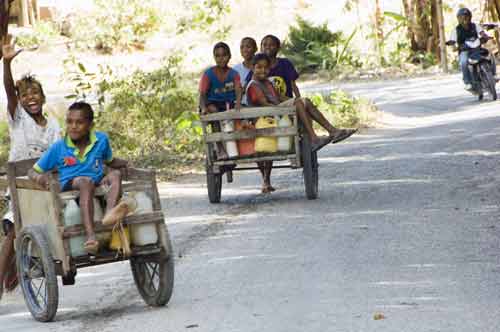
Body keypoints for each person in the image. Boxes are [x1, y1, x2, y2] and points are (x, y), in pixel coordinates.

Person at [0, 35, 61, 300]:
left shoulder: (54, 125)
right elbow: (8, 89)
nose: (30, 98)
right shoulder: (19, 118)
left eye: (35, 93)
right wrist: (7, 63)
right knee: (14, 231)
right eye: (25, 95)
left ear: (43, 97)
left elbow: (60, 155)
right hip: (22, 183)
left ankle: (34, 263)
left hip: (46, 183)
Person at [29, 102, 128, 255]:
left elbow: (110, 161)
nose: (73, 126)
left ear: (90, 125)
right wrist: (39, 178)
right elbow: (32, 171)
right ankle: (90, 236)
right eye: (69, 122)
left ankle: (110, 214)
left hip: (96, 180)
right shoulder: (58, 147)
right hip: (71, 183)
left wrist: (126, 164)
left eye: (79, 122)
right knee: (85, 181)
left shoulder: (101, 140)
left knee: (115, 175)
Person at [259, 34, 356, 146]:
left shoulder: (284, 63)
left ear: (278, 47)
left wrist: (298, 98)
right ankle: (325, 134)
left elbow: (293, 84)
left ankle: (330, 132)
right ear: (260, 47)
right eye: (264, 45)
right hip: (273, 105)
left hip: (287, 101)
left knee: (305, 102)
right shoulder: (258, 67)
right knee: (303, 103)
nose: (268, 47)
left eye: (271, 45)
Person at [199, 42, 243, 159]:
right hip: (211, 103)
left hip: (228, 103)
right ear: (214, 57)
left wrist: (238, 103)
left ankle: (239, 146)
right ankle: (220, 149)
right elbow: (202, 93)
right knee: (215, 114)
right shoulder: (208, 74)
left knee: (238, 114)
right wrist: (203, 108)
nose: (221, 58)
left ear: (229, 56)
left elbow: (238, 89)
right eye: (217, 56)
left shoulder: (234, 74)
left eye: (224, 55)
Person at [448, 7, 496, 91]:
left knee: (489, 55)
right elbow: (453, 41)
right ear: (459, 19)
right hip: (464, 50)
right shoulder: (456, 30)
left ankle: (494, 74)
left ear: (470, 17)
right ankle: (467, 82)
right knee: (463, 62)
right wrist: (453, 46)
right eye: (462, 17)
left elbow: (482, 33)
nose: (465, 19)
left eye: (466, 17)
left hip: (476, 48)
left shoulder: (475, 25)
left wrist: (486, 37)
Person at [233, 37, 258, 105]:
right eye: (242, 47)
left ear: (256, 49)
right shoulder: (235, 70)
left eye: (248, 47)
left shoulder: (262, 68)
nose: (245, 50)